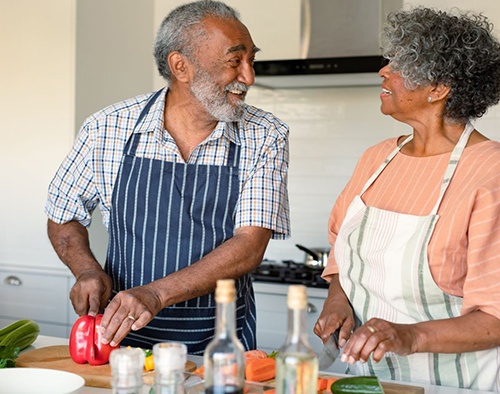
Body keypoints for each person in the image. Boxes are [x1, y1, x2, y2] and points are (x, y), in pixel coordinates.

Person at [45, 0, 290, 355]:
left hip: (219, 344)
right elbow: (63, 213)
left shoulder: (266, 134)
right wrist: (86, 270)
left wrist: (156, 294)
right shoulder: (108, 128)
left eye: (252, 60)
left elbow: (250, 246)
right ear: (181, 66)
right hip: (121, 340)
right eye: (235, 61)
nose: (249, 77)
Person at [314, 6, 500, 391]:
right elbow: (341, 250)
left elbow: (495, 318)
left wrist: (409, 336)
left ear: (439, 89)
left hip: (453, 383)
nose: (384, 70)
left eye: (401, 63)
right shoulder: (377, 159)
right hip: (365, 378)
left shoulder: (490, 173)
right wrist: (338, 300)